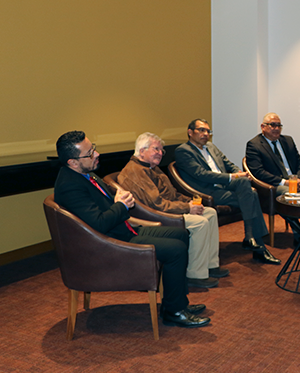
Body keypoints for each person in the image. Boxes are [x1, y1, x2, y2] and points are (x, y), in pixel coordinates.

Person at [54, 131, 210, 328]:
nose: (96, 154)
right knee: (176, 250)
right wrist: (121, 205)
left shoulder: (83, 174)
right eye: (89, 153)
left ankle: (175, 302)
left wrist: (119, 199)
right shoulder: (70, 186)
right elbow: (100, 224)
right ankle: (174, 312)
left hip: (120, 231)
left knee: (181, 233)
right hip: (108, 243)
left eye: (93, 148)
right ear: (72, 162)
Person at [118, 132, 229, 289]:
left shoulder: (151, 168)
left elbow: (172, 194)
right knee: (199, 223)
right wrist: (187, 208)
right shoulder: (135, 171)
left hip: (167, 210)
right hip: (155, 217)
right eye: (156, 149)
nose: (160, 153)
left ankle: (210, 264)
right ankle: (195, 274)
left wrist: (188, 202)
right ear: (142, 151)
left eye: (161, 150)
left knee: (210, 212)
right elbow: (157, 205)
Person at [174, 119, 280, 265]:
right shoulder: (183, 151)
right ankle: (256, 244)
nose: (205, 134)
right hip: (207, 190)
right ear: (190, 132)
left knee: (247, 188)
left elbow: (227, 162)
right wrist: (234, 177)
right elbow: (201, 174)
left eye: (208, 131)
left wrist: (238, 172)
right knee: (252, 195)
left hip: (224, 186)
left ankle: (252, 239)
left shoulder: (211, 146)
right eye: (201, 130)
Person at [245, 112, 300, 246]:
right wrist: (286, 182)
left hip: (295, 181)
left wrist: (299, 179)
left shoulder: (287, 140)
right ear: (263, 127)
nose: (276, 128)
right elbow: (258, 172)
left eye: (279, 125)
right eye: (272, 125)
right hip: (274, 185)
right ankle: (299, 236)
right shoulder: (254, 145)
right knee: (288, 193)